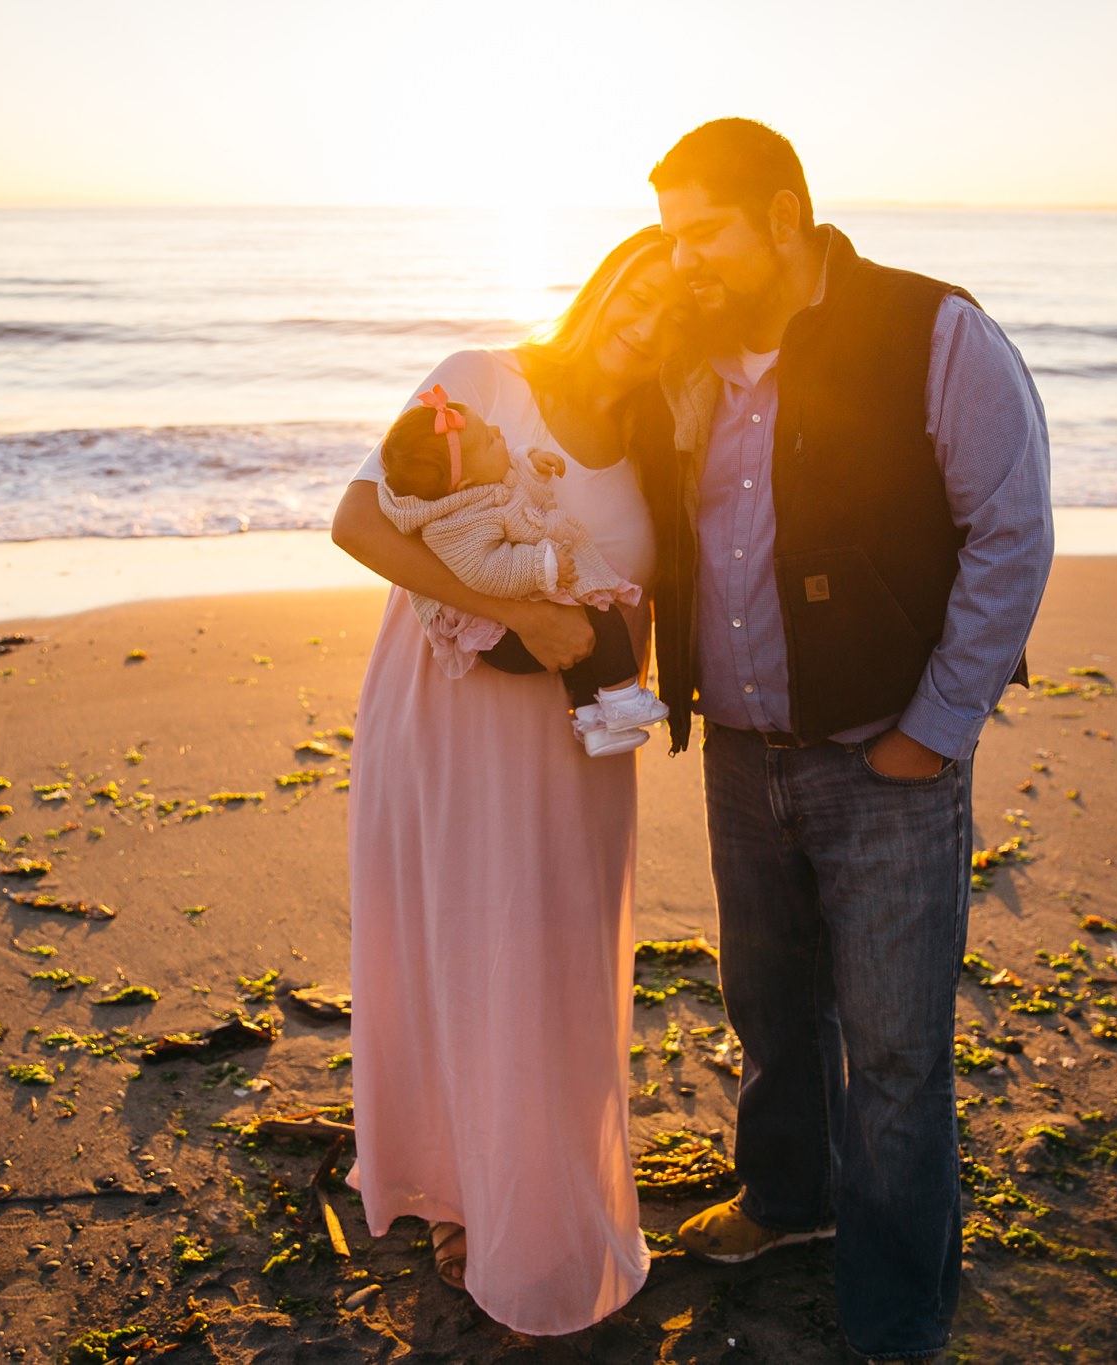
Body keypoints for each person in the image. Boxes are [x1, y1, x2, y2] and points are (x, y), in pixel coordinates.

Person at [642, 119, 1052, 1363]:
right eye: (670, 240)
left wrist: (930, 735)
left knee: (893, 1056)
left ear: (780, 216)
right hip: (740, 750)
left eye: (702, 233)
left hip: (885, 759)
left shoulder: (932, 331)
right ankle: (781, 1205)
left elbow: (1010, 534)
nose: (686, 262)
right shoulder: (689, 351)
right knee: (767, 1009)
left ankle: (895, 1321)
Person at [329, 225, 687, 1335]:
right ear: (605, 283)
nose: (650, 315)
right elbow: (356, 524)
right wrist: (519, 611)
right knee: (454, 945)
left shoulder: (660, 445)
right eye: (641, 286)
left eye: (682, 308)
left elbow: (647, 593)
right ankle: (456, 1189)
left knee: (555, 963)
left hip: (569, 743)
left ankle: (548, 1186)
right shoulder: (481, 382)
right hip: (445, 716)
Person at [375, 383, 670, 757]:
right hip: (501, 638)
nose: (499, 433)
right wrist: (541, 566)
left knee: (578, 650)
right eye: (488, 441)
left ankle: (594, 723)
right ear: (463, 482)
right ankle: (624, 699)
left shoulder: (475, 482)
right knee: (601, 615)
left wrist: (530, 463)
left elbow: (508, 475)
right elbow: (482, 570)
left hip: (517, 609)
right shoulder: (458, 522)